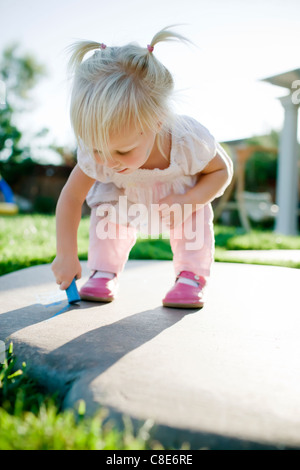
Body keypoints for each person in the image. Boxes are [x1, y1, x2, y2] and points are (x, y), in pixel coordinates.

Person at [51, 26, 233, 309]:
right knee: (107, 205)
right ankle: (104, 270)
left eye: (122, 150)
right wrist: (66, 253)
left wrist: (189, 200)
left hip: (176, 202)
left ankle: (191, 275)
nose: (107, 161)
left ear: (157, 121)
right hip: (127, 198)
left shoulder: (188, 140)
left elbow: (222, 172)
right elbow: (72, 197)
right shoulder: (101, 154)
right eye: (97, 149)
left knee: (195, 213)